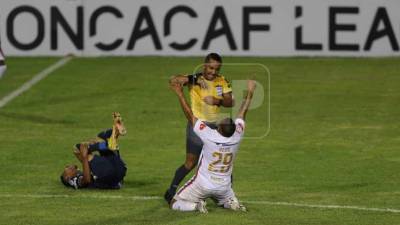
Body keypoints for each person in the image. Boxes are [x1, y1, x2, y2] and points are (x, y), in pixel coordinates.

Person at [168, 79, 256, 213]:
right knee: (222, 199)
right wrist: (250, 92)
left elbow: (190, 116)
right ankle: (231, 203)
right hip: (224, 187)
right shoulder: (237, 135)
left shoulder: (209, 135)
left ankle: (196, 206)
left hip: (202, 184)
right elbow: (243, 112)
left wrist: (180, 94)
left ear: (219, 128)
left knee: (174, 202)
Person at [165, 53, 234, 203]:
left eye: (217, 69)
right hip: (197, 126)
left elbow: (230, 102)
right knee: (190, 163)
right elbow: (173, 80)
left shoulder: (222, 81)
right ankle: (171, 190)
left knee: (222, 162)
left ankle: (226, 198)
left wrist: (216, 100)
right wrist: (194, 78)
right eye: (210, 68)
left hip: (215, 128)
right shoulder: (194, 79)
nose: (213, 72)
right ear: (204, 66)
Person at [60, 112, 127, 189]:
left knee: (100, 138)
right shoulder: (73, 180)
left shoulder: (87, 173)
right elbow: (87, 181)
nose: (67, 166)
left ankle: (112, 137)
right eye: (66, 169)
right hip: (113, 171)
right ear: (67, 177)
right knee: (77, 149)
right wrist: (84, 156)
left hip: (117, 173)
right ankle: (111, 138)